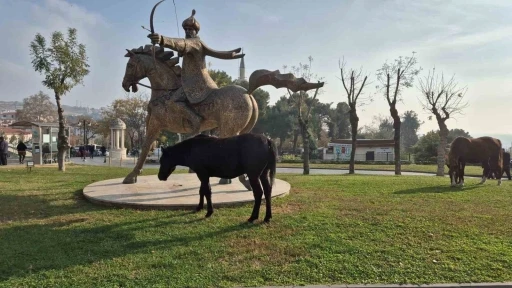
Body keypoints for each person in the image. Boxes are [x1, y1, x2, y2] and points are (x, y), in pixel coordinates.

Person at [148, 9, 244, 135]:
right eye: (186, 29)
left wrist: (162, 39)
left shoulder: (194, 43)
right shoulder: (198, 43)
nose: (187, 32)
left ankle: (195, 119)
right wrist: (228, 55)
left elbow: (179, 43)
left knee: (173, 101)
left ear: (196, 31)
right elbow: (214, 52)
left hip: (196, 85)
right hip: (201, 83)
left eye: (190, 29)